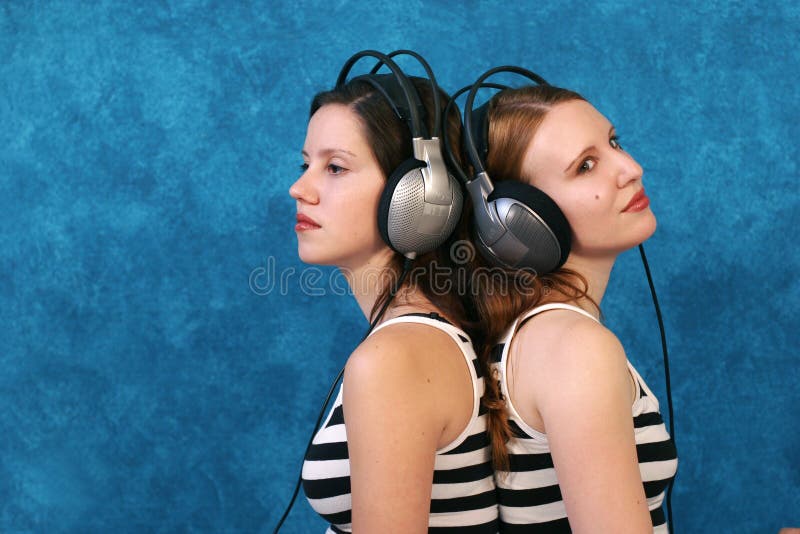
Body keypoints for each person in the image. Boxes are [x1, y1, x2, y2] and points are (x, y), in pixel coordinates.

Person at [288, 53, 498, 533]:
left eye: (335, 168)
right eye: (305, 164)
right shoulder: (427, 338)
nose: (299, 188)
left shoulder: (394, 360)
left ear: (423, 196)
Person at [459, 78, 678, 532]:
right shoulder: (575, 349)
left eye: (614, 142)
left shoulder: (537, 335)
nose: (630, 168)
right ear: (515, 219)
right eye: (586, 165)